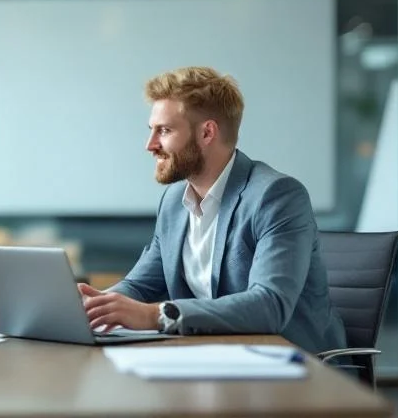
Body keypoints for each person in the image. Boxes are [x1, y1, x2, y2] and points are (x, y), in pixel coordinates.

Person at [77, 66, 346, 354]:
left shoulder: (276, 197)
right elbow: (141, 285)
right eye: (151, 130)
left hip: (293, 366)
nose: (150, 145)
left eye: (164, 130)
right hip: (214, 356)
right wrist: (94, 307)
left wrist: (153, 315)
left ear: (207, 132)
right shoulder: (173, 202)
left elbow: (270, 305)